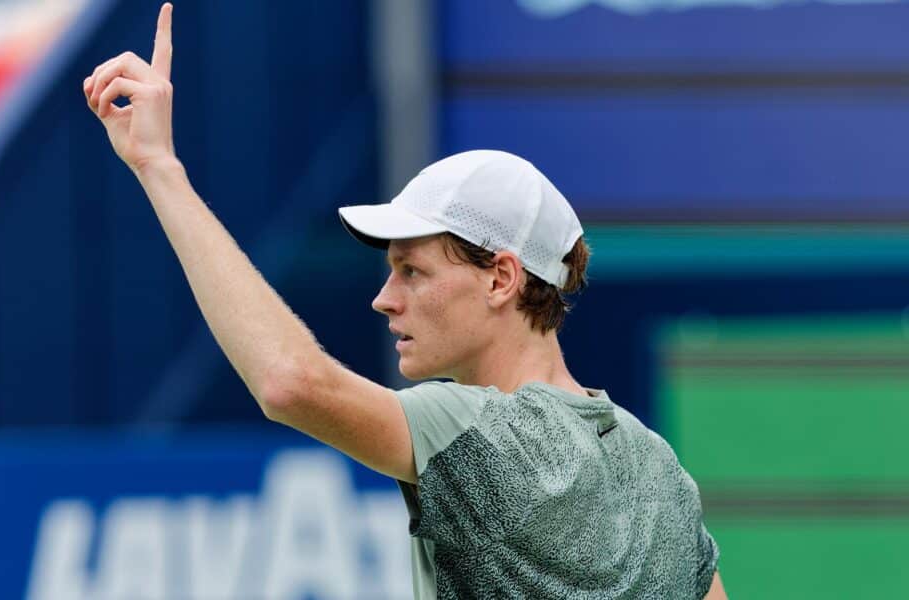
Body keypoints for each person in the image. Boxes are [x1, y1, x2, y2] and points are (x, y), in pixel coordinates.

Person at [83, 4, 728, 598]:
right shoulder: (659, 470)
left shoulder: (471, 432)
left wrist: (159, 167)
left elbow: (288, 382)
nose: (384, 300)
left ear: (502, 279)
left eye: (412, 271)